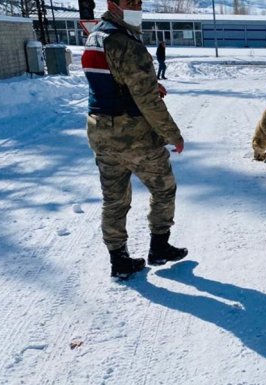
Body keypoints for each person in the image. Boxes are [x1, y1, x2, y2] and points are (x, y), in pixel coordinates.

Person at [82, 0, 187, 279]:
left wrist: (148, 84)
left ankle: (119, 260)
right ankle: (159, 247)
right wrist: (173, 135)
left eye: (139, 1)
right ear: (112, 3)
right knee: (164, 188)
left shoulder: (96, 36)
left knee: (114, 199)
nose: (137, 6)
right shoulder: (128, 44)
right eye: (130, 1)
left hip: (101, 132)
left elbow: (110, 82)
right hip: (133, 136)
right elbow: (148, 102)